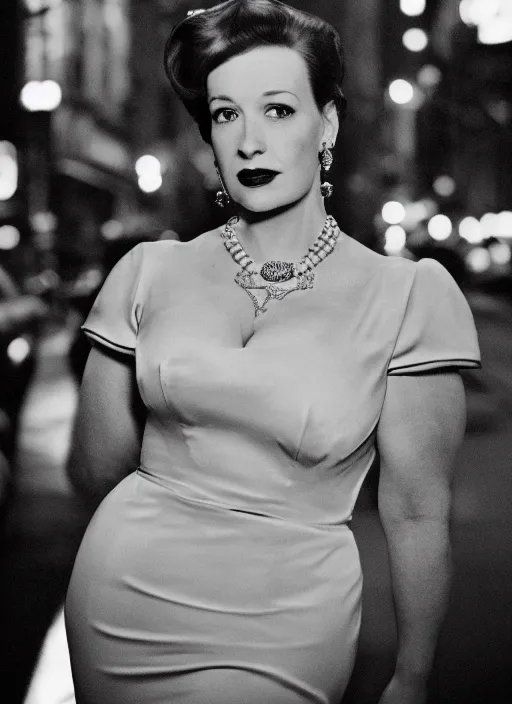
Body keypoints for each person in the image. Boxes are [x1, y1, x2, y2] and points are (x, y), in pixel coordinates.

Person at [64, 2, 481, 703]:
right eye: (227, 115)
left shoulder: (407, 295)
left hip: (287, 616)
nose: (251, 140)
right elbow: (95, 469)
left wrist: (413, 673)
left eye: (279, 110)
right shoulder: (147, 271)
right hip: (123, 594)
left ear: (329, 124)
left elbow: (417, 509)